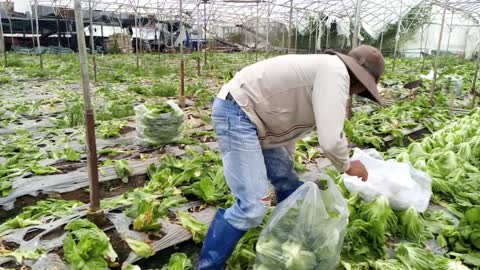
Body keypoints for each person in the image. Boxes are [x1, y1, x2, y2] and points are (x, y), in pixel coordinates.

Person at [197, 45, 385, 270]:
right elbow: (331, 141)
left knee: (288, 182)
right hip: (239, 111)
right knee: (253, 207)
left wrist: (286, 163)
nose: (355, 94)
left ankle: (287, 239)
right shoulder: (335, 73)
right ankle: (207, 266)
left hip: (258, 117)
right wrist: (347, 165)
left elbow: (289, 119)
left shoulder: (327, 70)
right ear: (360, 81)